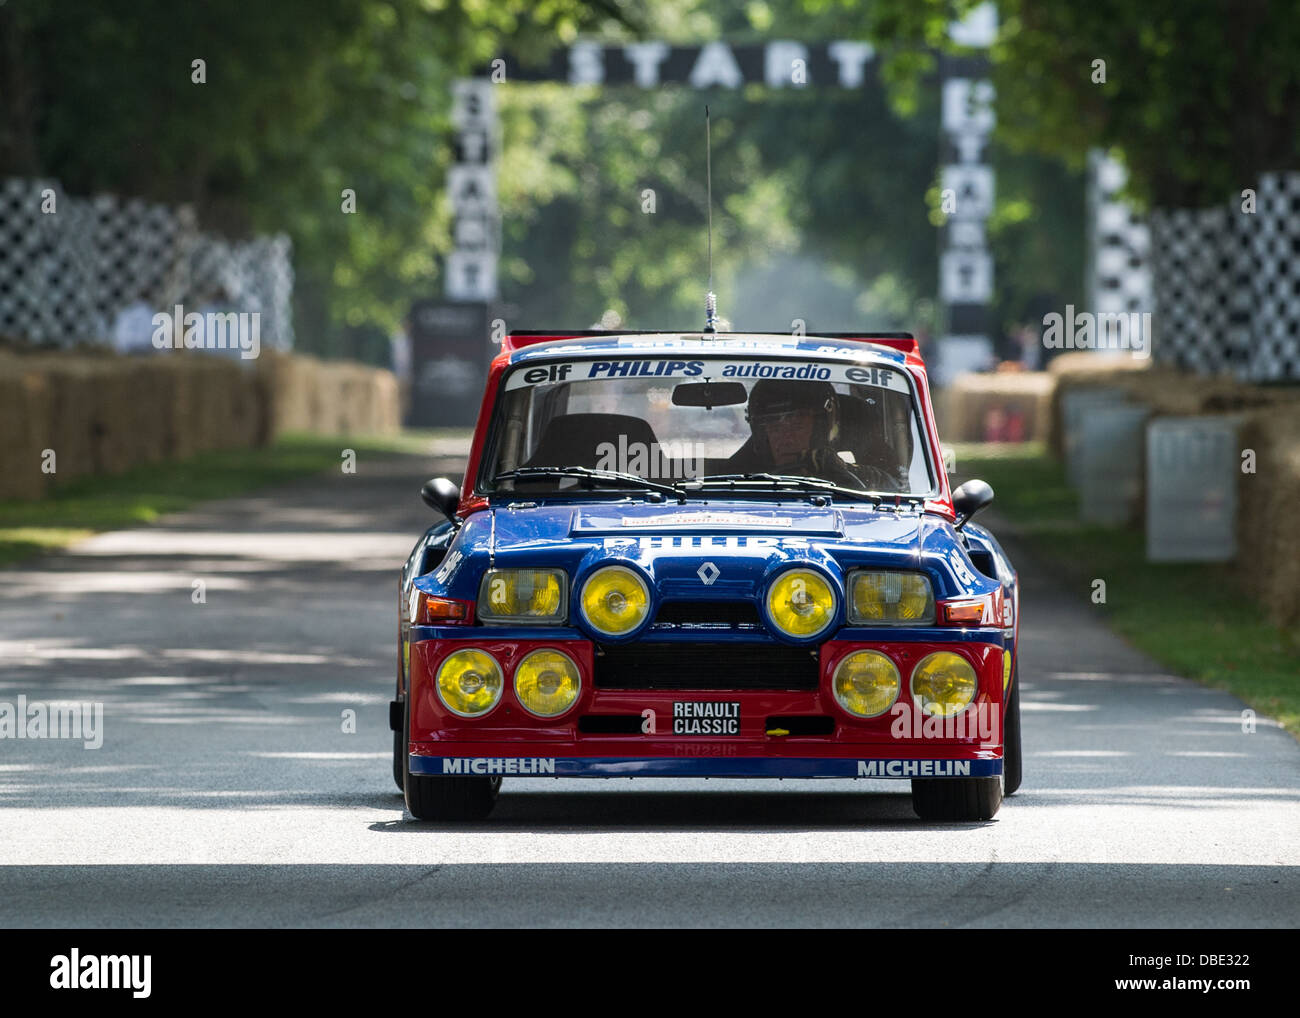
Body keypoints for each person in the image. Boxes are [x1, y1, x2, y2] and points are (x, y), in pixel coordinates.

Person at [726, 379, 864, 489]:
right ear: (761, 435)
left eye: (797, 426)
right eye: (775, 428)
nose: (787, 439)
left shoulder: (866, 479)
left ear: (821, 430)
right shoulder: (728, 482)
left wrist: (839, 472)